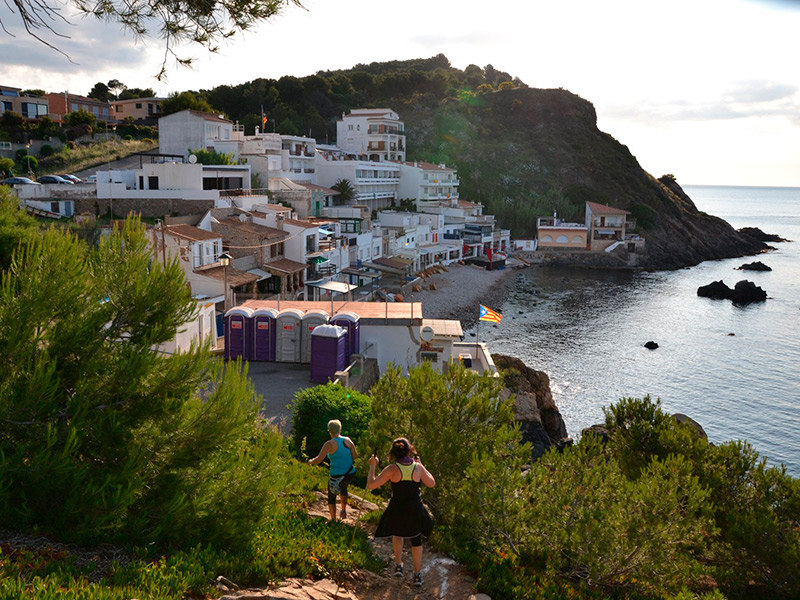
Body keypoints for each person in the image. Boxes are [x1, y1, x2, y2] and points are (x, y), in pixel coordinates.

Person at [367, 437, 435, 588]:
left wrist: (372, 466)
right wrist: (421, 465)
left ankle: (399, 565)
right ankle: (417, 575)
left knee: (397, 534)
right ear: (409, 450)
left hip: (397, 507)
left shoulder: (391, 469)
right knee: (416, 539)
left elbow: (371, 485)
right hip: (415, 509)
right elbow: (431, 483)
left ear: (393, 452)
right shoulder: (417, 468)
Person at [307, 419, 357, 521]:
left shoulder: (329, 444)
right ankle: (343, 511)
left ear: (330, 431)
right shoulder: (347, 440)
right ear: (340, 429)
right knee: (343, 487)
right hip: (350, 473)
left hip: (336, 475)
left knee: (332, 495)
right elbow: (355, 456)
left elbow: (319, 459)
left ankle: (333, 520)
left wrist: (311, 461)